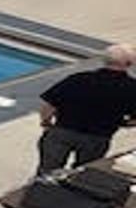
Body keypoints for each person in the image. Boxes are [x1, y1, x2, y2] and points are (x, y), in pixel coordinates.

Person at [38, 44, 136, 173]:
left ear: (104, 59)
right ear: (129, 63)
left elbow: (48, 104)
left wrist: (46, 122)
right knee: (83, 174)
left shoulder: (78, 78)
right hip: (97, 138)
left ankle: (42, 191)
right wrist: (122, 123)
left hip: (62, 131)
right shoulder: (132, 88)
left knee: (47, 172)